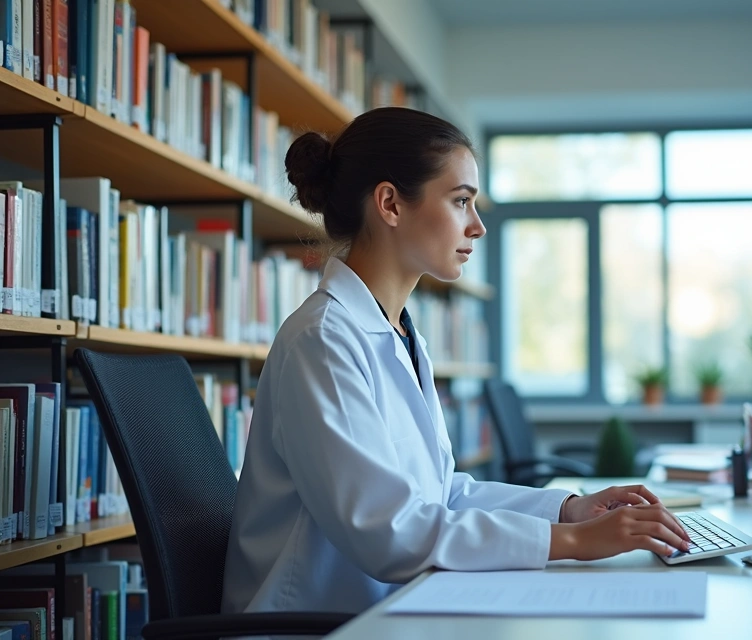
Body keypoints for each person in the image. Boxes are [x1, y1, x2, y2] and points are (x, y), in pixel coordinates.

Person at [221, 107, 692, 615]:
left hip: (388, 608)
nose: (478, 227)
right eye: (461, 201)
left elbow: (441, 494)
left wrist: (568, 510)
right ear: (390, 204)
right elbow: (388, 531)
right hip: (315, 623)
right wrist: (570, 542)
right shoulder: (322, 341)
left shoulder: (397, 333)